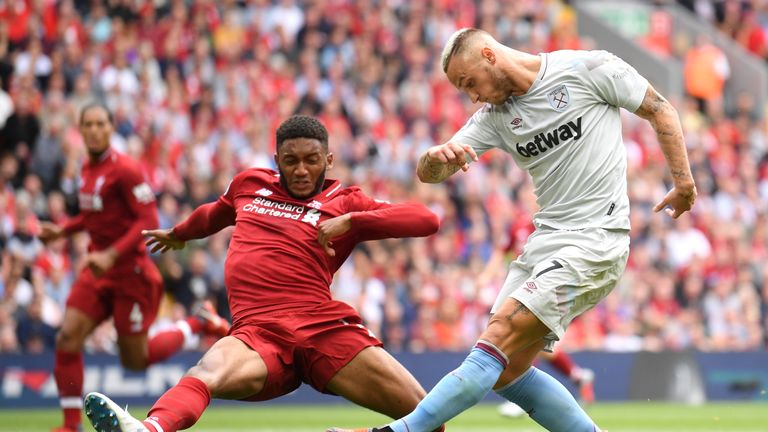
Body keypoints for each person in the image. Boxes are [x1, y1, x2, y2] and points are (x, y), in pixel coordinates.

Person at [329, 27, 696, 432]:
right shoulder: (494, 118)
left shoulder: (588, 68)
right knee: (506, 373)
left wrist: (683, 183)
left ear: (489, 55)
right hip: (546, 244)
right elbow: (431, 173)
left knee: (499, 336)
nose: (472, 96)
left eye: (470, 83)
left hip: (596, 240)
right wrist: (434, 158)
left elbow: (660, 108)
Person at [82, 115, 444, 432]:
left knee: (429, 416)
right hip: (257, 333)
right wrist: (179, 234)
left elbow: (427, 220)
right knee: (204, 373)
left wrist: (353, 220)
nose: (301, 170)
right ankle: (148, 428)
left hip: (322, 327)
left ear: (328, 160)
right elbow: (214, 214)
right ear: (277, 161)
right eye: (291, 161)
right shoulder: (249, 185)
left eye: (311, 161)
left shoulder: (345, 202)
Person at [39, 103, 230, 432]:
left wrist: (112, 255)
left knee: (134, 360)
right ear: (81, 130)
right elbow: (94, 214)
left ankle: (197, 323)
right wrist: (64, 229)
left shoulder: (126, 169)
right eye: (89, 124)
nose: (95, 129)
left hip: (131, 274)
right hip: (98, 271)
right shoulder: (86, 169)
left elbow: (149, 220)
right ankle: (71, 425)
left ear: (111, 129)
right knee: (67, 337)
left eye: (101, 123)